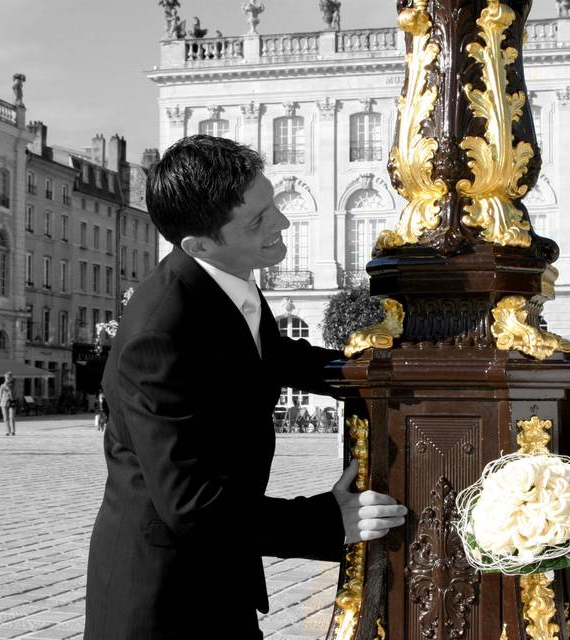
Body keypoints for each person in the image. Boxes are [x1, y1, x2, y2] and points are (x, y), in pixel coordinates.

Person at [83, 135, 406, 640]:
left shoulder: (220, 279)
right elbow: (190, 504)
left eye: (271, 203)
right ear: (199, 245)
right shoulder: (159, 333)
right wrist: (328, 519)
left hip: (216, 572)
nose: (281, 222)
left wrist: (375, 374)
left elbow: (269, 356)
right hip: (165, 599)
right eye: (257, 221)